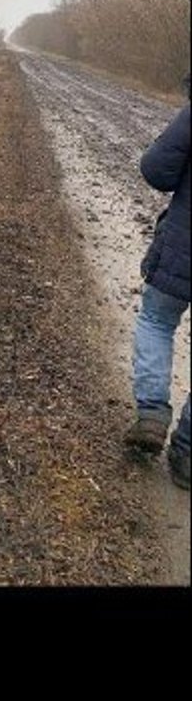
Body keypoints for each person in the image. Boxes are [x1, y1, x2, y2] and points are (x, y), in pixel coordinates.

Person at [125, 75, 190, 489]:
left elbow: (156, 170)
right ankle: (188, 453)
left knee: (156, 321)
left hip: (184, 245)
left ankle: (151, 414)